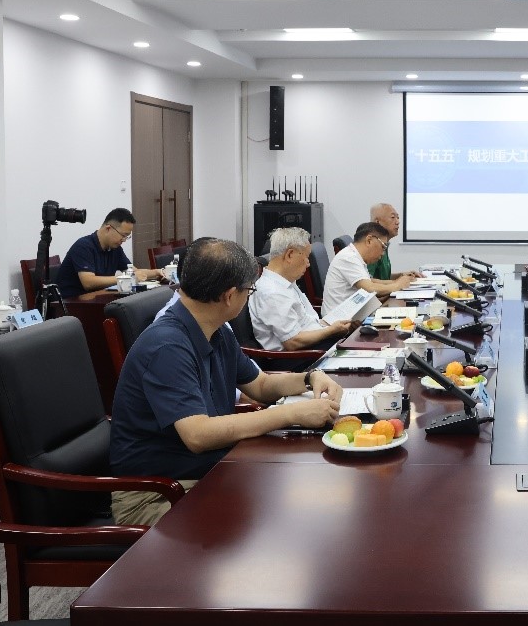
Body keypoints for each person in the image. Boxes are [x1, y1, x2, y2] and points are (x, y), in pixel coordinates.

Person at [110, 238, 341, 526]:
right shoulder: (167, 345)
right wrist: (289, 414)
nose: (249, 297)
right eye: (249, 290)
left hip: (204, 472)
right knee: (280, 521)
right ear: (230, 296)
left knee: (290, 501)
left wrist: (309, 378)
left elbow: (260, 385)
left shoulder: (214, 330)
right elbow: (198, 435)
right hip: (157, 494)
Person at [249, 227, 354, 359]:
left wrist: (329, 325)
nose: (308, 263)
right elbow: (293, 341)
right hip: (297, 357)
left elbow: (305, 321)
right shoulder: (272, 292)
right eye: (306, 257)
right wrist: (331, 330)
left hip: (312, 342)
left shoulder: (285, 281)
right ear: (290, 255)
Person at [54, 208, 162, 297]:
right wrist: (127, 278)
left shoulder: (115, 248)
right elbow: (88, 282)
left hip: (97, 298)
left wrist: (158, 272)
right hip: (73, 303)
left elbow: (135, 272)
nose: (124, 240)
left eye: (127, 237)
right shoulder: (83, 246)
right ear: (108, 228)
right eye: (123, 235)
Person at [321, 222, 414, 314]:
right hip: (339, 320)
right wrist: (397, 285)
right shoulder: (349, 257)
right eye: (383, 247)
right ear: (369, 240)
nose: (383, 253)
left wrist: (399, 281)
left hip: (353, 314)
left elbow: (370, 281)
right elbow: (369, 288)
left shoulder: (355, 256)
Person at [367, 203, 418, 281]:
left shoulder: (383, 244)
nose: (397, 222)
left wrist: (401, 275)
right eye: (393, 217)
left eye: (398, 218)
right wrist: (397, 283)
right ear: (377, 222)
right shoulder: (372, 246)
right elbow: (367, 281)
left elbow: (383, 278)